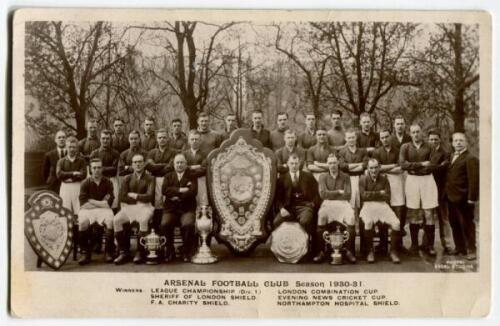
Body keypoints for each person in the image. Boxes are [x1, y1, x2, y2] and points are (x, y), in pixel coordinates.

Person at [400, 124, 439, 256]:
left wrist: (413, 167)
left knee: (428, 213)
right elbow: (403, 164)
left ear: (421, 132)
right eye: (413, 132)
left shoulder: (430, 146)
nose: (416, 134)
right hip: (412, 180)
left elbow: (432, 165)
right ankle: (414, 245)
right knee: (414, 212)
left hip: (427, 179)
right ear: (410, 134)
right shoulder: (405, 147)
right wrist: (421, 164)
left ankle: (430, 246)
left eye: (418, 131)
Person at [314, 154, 356, 264]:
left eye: (334, 163)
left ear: (338, 163)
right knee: (321, 215)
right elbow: (323, 194)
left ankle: (349, 251)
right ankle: (321, 251)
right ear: (327, 165)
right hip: (328, 203)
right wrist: (338, 192)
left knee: (351, 217)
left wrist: (331, 193)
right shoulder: (322, 176)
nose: (332, 165)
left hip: (343, 203)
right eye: (330, 163)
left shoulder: (345, 176)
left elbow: (347, 195)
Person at [113, 154, 155, 265]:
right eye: (135, 162)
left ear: (144, 163)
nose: (138, 164)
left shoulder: (150, 178)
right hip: (129, 208)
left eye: (140, 161)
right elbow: (122, 196)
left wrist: (134, 195)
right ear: (132, 164)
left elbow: (150, 197)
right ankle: (124, 252)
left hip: (145, 207)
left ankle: (140, 252)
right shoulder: (127, 178)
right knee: (116, 220)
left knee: (143, 220)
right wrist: (140, 198)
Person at [359, 158, 401, 264]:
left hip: (383, 206)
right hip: (368, 206)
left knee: (396, 223)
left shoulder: (384, 178)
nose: (374, 170)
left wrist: (372, 194)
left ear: (379, 168)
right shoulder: (363, 179)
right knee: (368, 222)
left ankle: (393, 252)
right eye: (371, 168)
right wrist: (379, 193)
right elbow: (363, 196)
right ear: (368, 168)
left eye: (376, 167)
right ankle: (370, 251)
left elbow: (387, 196)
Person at [444, 132, 479, 260]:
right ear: (452, 143)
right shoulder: (452, 156)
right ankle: (460, 248)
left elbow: (473, 180)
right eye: (456, 141)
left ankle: (471, 250)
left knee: (467, 224)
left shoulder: (471, 158)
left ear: (466, 143)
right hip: (451, 197)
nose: (458, 143)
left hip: (465, 198)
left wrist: (472, 198)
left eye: (461, 140)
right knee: (454, 223)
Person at [372, 129, 406, 255]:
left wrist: (384, 168)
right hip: (383, 183)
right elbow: (376, 169)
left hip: (397, 183)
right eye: (382, 137)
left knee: (398, 214)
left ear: (390, 137)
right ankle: (383, 244)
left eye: (387, 136)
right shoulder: (377, 152)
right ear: (380, 139)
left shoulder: (398, 150)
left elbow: (400, 169)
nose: (385, 139)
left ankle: (398, 245)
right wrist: (392, 166)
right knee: (383, 212)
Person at [77, 158, 115, 265]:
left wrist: (91, 200)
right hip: (87, 210)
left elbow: (108, 204)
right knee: (82, 222)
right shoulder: (85, 183)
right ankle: (85, 253)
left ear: (102, 168)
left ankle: (108, 252)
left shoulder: (108, 182)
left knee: (110, 221)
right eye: (94, 168)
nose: (97, 170)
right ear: (90, 169)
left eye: (99, 167)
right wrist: (100, 203)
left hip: (104, 209)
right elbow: (83, 204)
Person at [161, 153, 198, 262]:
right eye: (177, 162)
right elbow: (164, 190)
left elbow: (193, 192)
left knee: (188, 224)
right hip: (171, 209)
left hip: (187, 209)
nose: (179, 164)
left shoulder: (192, 176)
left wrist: (177, 196)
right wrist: (180, 190)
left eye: (182, 162)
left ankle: (186, 251)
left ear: (186, 164)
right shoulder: (168, 176)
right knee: (165, 224)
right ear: (173, 164)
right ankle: (170, 250)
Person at [274, 154, 319, 243]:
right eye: (292, 163)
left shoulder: (308, 176)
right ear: (288, 164)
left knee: (305, 221)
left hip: (305, 207)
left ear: (299, 164)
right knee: (276, 222)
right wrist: (281, 208)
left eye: (296, 163)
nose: (294, 166)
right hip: (288, 208)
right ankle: (285, 245)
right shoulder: (282, 179)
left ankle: (303, 245)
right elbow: (277, 198)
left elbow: (317, 194)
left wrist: (312, 205)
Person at [428, 129, 455, 255]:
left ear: (439, 140)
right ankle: (427, 244)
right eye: (431, 139)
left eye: (435, 139)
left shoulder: (446, 153)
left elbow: (442, 169)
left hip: (440, 190)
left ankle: (447, 244)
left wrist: (427, 166)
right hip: (427, 188)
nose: (433, 141)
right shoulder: (426, 152)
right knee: (427, 217)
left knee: (443, 218)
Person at [146, 129, 176, 210]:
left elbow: (171, 167)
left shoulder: (174, 152)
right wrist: (164, 165)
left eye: (164, 137)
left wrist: (156, 166)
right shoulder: (151, 152)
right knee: (157, 201)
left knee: (168, 201)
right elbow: (150, 167)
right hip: (155, 180)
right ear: (157, 139)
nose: (162, 139)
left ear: (168, 139)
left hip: (169, 179)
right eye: (160, 138)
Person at [56, 136, 87, 216]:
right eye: (69, 147)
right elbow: (59, 174)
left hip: (77, 186)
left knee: (79, 209)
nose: (72, 149)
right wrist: (73, 173)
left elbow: (83, 175)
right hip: (65, 187)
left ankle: (79, 228)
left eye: (74, 147)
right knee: (65, 209)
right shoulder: (61, 161)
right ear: (66, 147)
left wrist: (66, 176)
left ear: (77, 148)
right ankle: (68, 227)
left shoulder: (81, 161)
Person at [90, 130, 120, 209]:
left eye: (107, 138)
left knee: (113, 204)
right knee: (98, 204)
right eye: (103, 138)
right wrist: (105, 169)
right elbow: (91, 171)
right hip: (98, 181)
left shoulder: (115, 153)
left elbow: (114, 169)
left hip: (111, 180)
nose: (105, 141)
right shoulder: (94, 153)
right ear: (100, 139)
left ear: (110, 140)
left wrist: (99, 169)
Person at [183, 130, 208, 205]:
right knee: (189, 203)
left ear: (200, 141)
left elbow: (204, 169)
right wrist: (196, 166)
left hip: (200, 181)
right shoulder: (184, 153)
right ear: (189, 141)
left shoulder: (205, 154)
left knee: (202, 203)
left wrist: (189, 168)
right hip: (187, 181)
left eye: (196, 139)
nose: (194, 141)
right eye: (192, 139)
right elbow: (182, 168)